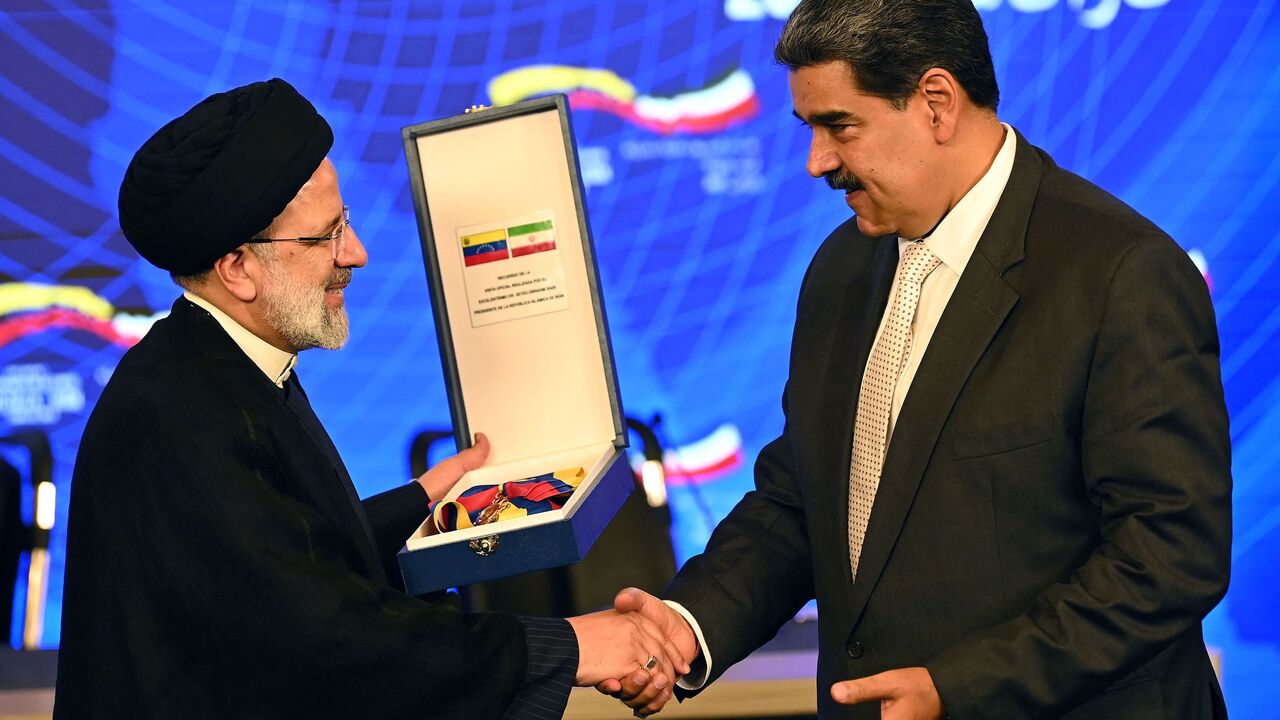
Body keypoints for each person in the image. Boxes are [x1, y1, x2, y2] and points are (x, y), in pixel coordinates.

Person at [606, 1, 1232, 718]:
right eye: (810, 129)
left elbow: (1166, 557)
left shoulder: (1120, 274)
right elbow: (799, 505)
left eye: (839, 126)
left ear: (937, 103)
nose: (817, 162)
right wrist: (685, 627)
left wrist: (957, 689)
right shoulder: (841, 268)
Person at [56, 78, 686, 719]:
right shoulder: (181, 413)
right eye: (324, 237)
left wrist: (422, 504)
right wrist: (569, 645)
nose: (354, 254)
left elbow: (280, 556)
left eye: (345, 223)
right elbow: (325, 641)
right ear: (237, 268)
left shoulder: (217, 367)